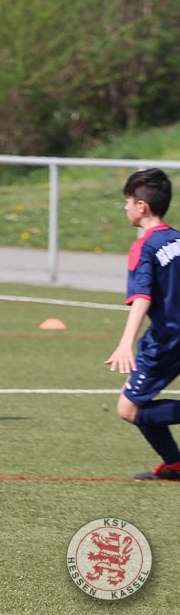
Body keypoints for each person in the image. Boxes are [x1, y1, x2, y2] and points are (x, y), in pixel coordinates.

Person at [105, 168, 180, 480]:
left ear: (141, 206)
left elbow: (142, 296)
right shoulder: (178, 239)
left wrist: (125, 342)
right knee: (137, 397)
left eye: (127, 201)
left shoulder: (145, 246)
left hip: (166, 341)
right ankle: (174, 464)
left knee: (129, 408)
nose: (125, 207)